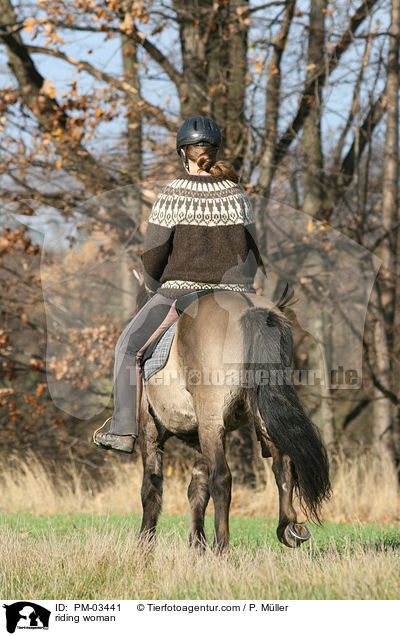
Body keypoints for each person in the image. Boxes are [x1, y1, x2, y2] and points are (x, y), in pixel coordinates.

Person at [93, 115, 264, 453]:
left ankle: (124, 430)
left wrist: (151, 282)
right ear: (212, 152)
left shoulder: (172, 193)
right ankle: (268, 430)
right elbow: (254, 252)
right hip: (238, 295)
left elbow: (154, 255)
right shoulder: (237, 194)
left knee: (127, 348)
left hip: (179, 292)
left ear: (183, 152)